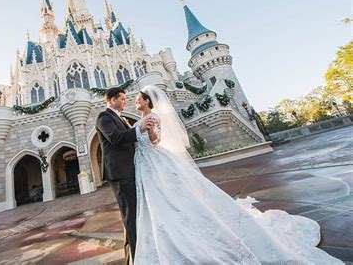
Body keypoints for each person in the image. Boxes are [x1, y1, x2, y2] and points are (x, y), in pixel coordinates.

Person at [132, 85, 343, 264]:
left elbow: (155, 141)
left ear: (147, 101)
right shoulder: (140, 117)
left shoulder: (153, 117)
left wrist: (150, 131)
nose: (135, 101)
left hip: (156, 161)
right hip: (148, 166)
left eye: (138, 98)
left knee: (177, 200)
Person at [95, 87, 154, 265]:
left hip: (129, 170)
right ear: (113, 100)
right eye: (122, 98)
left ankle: (135, 256)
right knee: (130, 215)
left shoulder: (119, 117)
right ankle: (138, 258)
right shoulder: (104, 117)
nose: (125, 101)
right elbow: (115, 137)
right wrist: (140, 129)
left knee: (133, 213)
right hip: (120, 173)